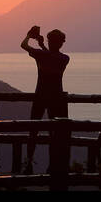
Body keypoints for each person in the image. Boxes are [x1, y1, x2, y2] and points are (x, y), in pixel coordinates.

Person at [21, 25, 69, 173]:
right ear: (61, 43)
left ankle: (28, 163)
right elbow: (52, 56)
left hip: (40, 96)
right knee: (54, 133)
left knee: (33, 131)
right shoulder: (64, 58)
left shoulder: (41, 55)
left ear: (49, 41)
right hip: (56, 98)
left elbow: (23, 45)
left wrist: (29, 35)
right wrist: (42, 45)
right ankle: (53, 165)